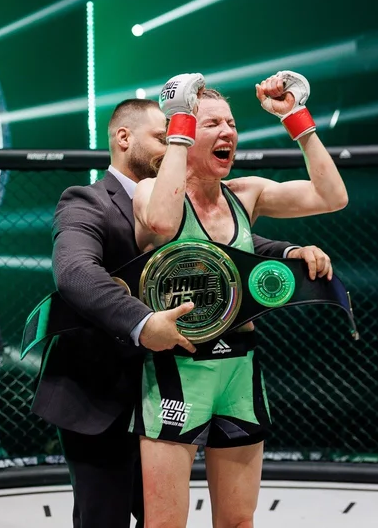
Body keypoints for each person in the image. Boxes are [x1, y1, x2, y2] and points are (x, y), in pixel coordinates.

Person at [31, 97, 334, 528]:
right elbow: (76, 273)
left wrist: (287, 252)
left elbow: (215, 249)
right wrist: (142, 323)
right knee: (106, 519)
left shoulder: (196, 196)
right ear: (124, 138)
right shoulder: (87, 201)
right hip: (103, 393)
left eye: (183, 133)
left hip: (177, 379)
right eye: (167, 135)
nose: (178, 141)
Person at [131, 71, 348, 528]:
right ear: (184, 130)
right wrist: (179, 121)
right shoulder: (152, 191)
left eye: (231, 123)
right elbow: (163, 224)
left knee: (238, 521)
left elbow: (332, 197)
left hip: (239, 370)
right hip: (177, 371)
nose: (228, 131)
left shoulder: (245, 194)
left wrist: (296, 118)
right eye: (212, 123)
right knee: (165, 524)